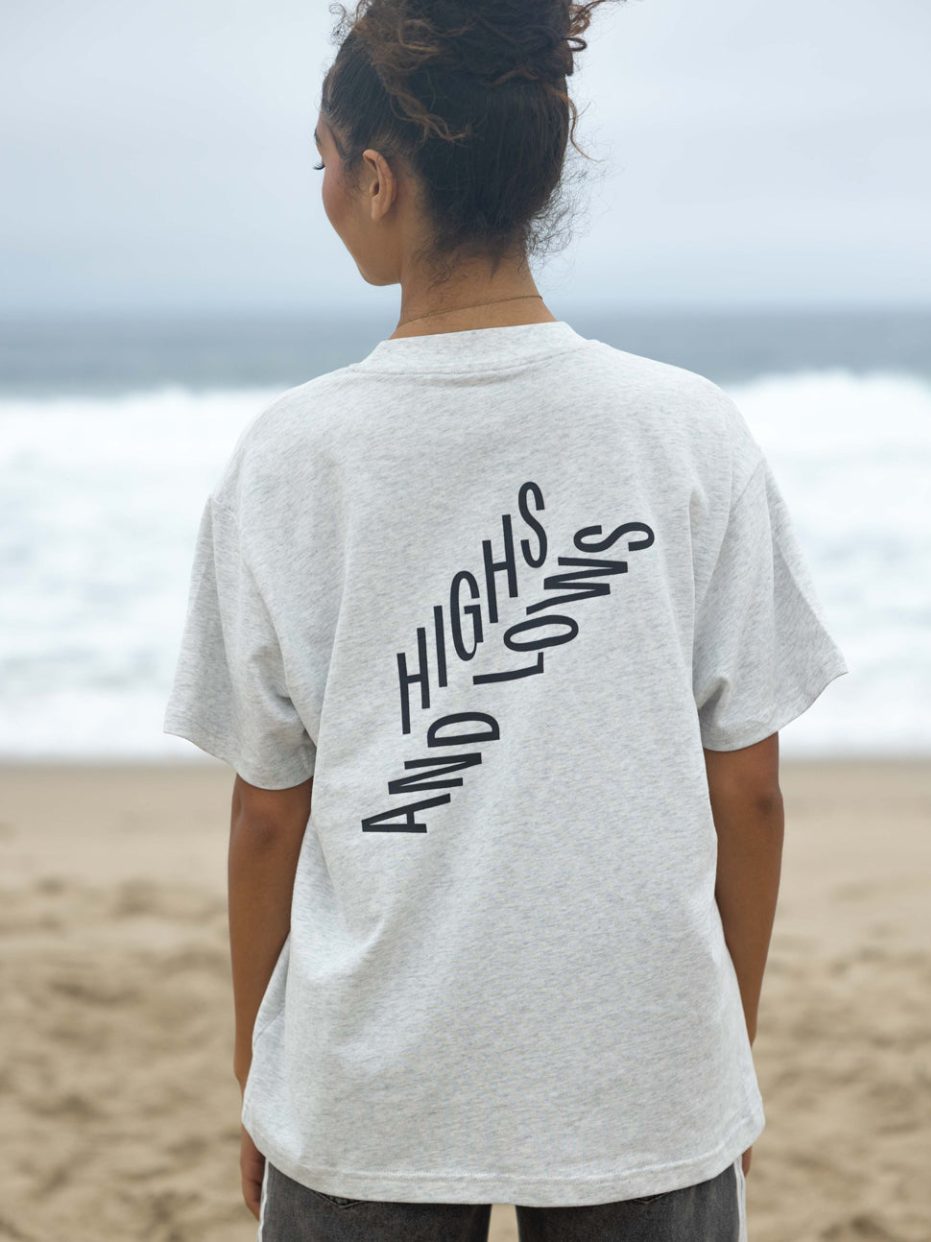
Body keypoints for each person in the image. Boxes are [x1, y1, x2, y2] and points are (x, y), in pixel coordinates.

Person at [162, 1, 849, 1238]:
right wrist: (717, 1055)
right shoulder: (687, 431)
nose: (326, 192)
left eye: (324, 164)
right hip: (640, 1067)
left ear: (379, 179)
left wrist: (260, 1075)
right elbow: (747, 788)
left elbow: (269, 813)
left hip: (367, 1078)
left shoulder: (289, 458)